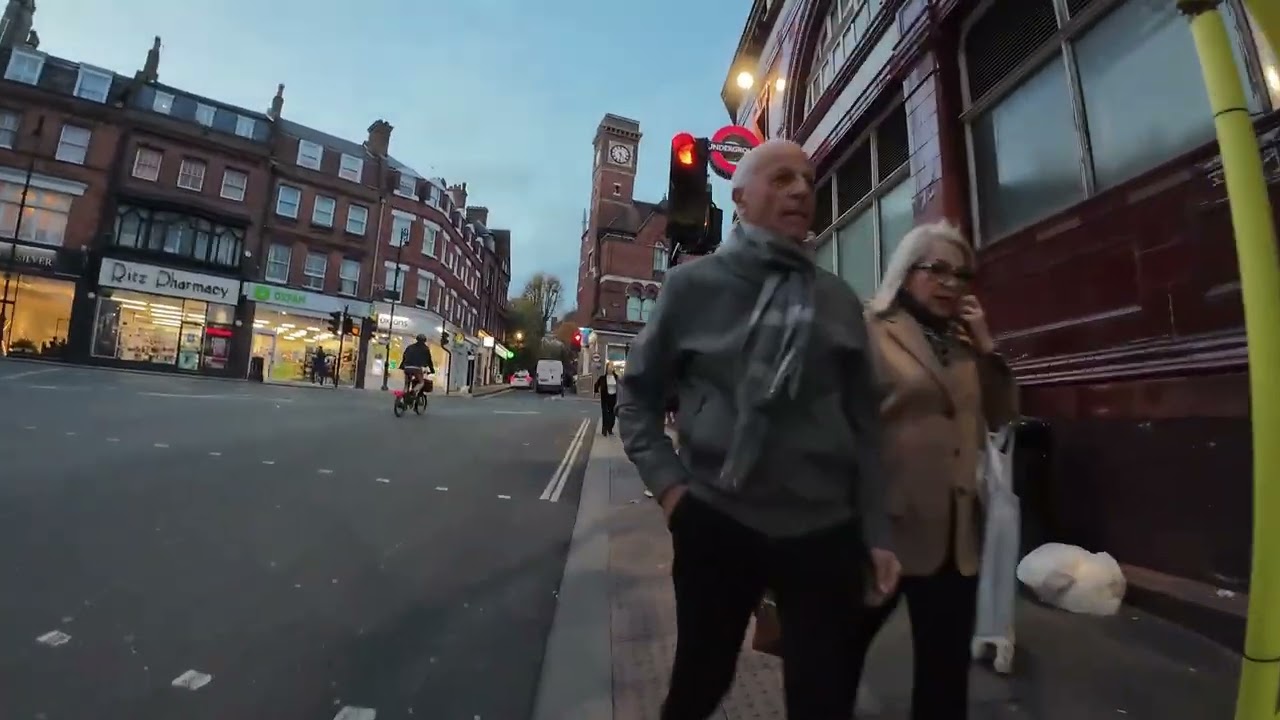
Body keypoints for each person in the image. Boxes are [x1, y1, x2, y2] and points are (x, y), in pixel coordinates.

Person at [616, 139, 899, 720]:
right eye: (782, 179)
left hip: (824, 533)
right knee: (700, 685)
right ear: (741, 198)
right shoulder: (693, 289)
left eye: (808, 181)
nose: (800, 191)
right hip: (719, 522)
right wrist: (672, 492)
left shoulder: (838, 301)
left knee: (823, 697)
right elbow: (637, 397)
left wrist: (877, 532)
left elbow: (866, 425)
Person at [852, 220, 1019, 720]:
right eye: (937, 270)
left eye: (962, 275)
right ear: (906, 272)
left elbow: (1002, 415)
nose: (951, 283)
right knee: (837, 656)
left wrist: (987, 346)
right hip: (886, 530)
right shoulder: (871, 329)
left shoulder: (966, 341)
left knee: (944, 678)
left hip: (955, 537)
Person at [594, 368, 620, 436]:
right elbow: (596, 385)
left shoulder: (616, 378)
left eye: (611, 367)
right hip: (605, 397)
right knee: (605, 414)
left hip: (613, 397)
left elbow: (621, 386)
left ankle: (610, 428)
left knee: (612, 414)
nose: (610, 369)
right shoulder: (602, 378)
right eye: (609, 368)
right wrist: (596, 392)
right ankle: (604, 429)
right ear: (607, 369)